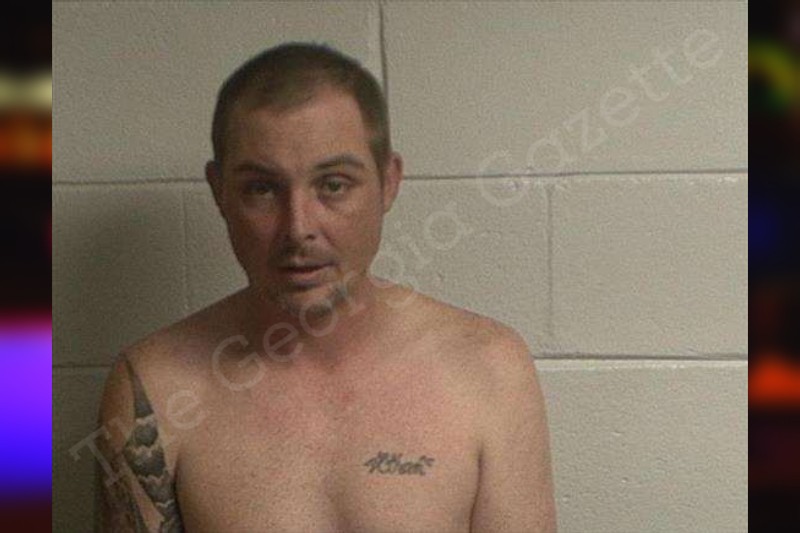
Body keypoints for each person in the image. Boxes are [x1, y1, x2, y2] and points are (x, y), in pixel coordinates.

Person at [95, 42, 556, 533]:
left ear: (388, 182)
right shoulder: (156, 387)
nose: (298, 229)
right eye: (261, 189)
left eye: (333, 184)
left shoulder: (487, 367)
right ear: (219, 191)